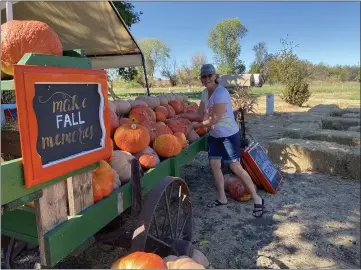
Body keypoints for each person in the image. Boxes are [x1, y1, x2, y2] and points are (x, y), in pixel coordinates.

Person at [177, 64, 265, 218]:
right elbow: (199, 113)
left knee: (235, 167)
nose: (206, 79)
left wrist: (194, 126)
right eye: (203, 77)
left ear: (215, 76)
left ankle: (257, 199)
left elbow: (214, 119)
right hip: (215, 136)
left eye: (209, 76)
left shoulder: (221, 93)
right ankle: (222, 198)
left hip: (229, 135)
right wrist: (182, 117)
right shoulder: (204, 93)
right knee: (214, 165)